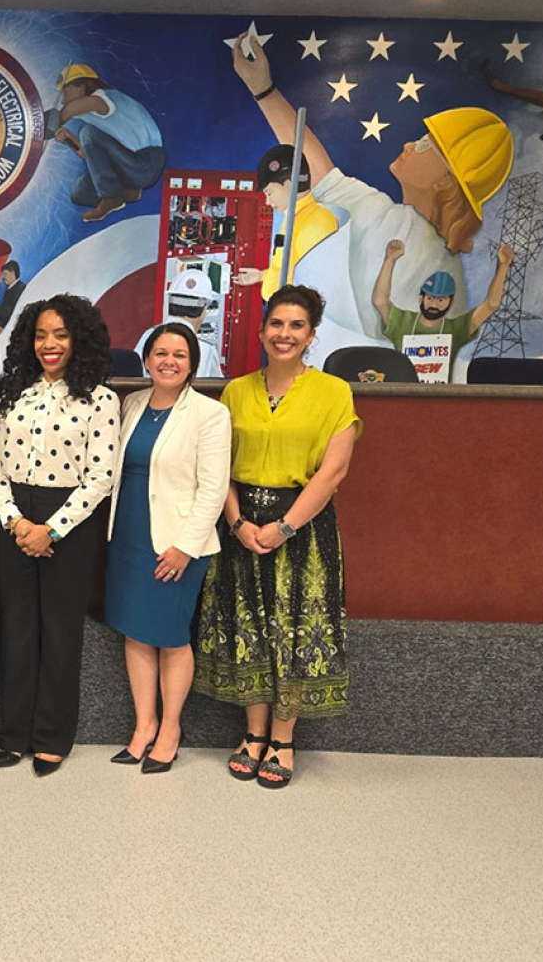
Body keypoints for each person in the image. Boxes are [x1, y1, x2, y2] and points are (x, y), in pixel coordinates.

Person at [231, 34, 513, 338]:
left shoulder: (414, 240)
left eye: (423, 144)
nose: (408, 144)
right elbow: (318, 172)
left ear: (447, 179)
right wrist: (262, 89)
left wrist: (263, 90)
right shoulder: (395, 219)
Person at [193, 285, 361, 789]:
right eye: (276, 324)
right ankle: (253, 733)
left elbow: (332, 473)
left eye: (296, 326)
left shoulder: (334, 392)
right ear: (262, 330)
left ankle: (283, 741)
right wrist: (239, 523)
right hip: (242, 524)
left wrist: (285, 526)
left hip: (302, 530)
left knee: (292, 633)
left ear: (311, 334)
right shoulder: (237, 390)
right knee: (249, 631)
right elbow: (217, 465)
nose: (284, 334)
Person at [0, 294, 119, 775]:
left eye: (60, 334)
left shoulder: (100, 399)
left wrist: (51, 529)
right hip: (15, 520)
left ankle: (51, 736)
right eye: (41, 335)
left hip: (71, 523)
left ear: (78, 338)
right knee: (16, 629)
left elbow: (101, 476)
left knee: (60, 633)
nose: (50, 344)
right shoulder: (12, 393)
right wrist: (16, 521)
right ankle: (13, 734)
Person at [104, 324, 230, 774]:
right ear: (147, 358)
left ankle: (171, 729)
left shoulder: (209, 415)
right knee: (136, 633)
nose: (168, 361)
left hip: (177, 543)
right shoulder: (132, 404)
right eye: (160, 352)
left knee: (172, 636)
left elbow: (214, 490)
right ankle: (143, 727)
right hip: (129, 536)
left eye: (179, 354)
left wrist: (185, 548)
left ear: (193, 362)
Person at [373, 238, 514, 381]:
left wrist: (503, 266)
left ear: (450, 302)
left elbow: (491, 304)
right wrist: (390, 260)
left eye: (441, 300)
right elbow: (379, 300)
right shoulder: (402, 321)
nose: (434, 304)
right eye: (430, 298)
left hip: (439, 398)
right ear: (421, 299)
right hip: (404, 398)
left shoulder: (456, 329)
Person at [51, 63, 166, 222]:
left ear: (82, 86)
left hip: (146, 161)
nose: (63, 99)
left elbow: (70, 109)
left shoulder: (104, 98)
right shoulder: (97, 119)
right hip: (128, 165)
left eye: (66, 91)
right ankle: (128, 192)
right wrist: (70, 140)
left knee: (88, 133)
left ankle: (111, 197)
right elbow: (92, 157)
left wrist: (47, 127)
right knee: (79, 192)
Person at [232, 145, 337, 301]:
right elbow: (290, 269)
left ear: (288, 185)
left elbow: (312, 286)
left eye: (269, 193)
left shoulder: (315, 223)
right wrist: (262, 276)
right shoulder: (297, 217)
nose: (268, 202)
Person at [0, 260, 27, 328]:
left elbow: (9, 313)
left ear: (13, 273)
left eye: (5, 274)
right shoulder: (13, 288)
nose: (3, 277)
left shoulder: (19, 289)